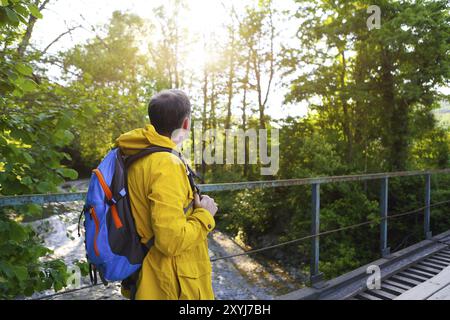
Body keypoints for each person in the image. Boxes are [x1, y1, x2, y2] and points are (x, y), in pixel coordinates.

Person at [115, 89, 218, 300]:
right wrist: (205, 215)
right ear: (186, 124)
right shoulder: (167, 164)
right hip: (171, 285)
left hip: (151, 275)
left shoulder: (138, 159)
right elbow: (170, 241)